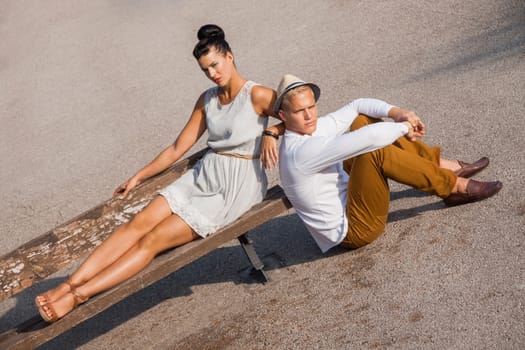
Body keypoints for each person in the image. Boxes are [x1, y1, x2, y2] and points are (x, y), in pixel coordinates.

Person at [35, 24, 281, 322]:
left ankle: (77, 297)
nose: (212, 74)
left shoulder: (258, 95)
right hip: (204, 176)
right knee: (137, 224)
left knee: (152, 240)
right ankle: (68, 285)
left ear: (230, 56)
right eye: (205, 70)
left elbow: (301, 114)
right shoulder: (207, 99)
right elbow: (178, 147)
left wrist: (273, 132)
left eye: (215, 65)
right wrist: (139, 176)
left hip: (234, 187)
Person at [275, 74, 502, 252]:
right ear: (284, 117)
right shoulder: (300, 153)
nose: (309, 116)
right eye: (299, 111)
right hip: (354, 228)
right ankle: (452, 187)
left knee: (361, 120)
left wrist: (399, 113)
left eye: (311, 107)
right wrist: (405, 127)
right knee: (375, 150)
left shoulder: (309, 128)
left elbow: (357, 105)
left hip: (351, 193)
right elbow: (371, 139)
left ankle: (443, 165)